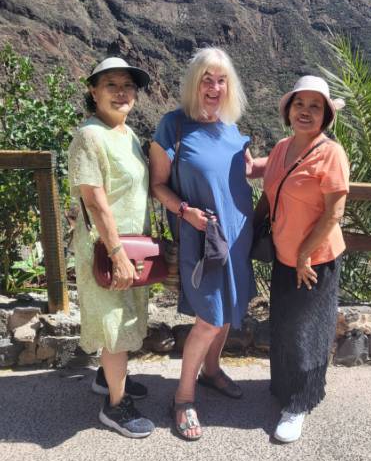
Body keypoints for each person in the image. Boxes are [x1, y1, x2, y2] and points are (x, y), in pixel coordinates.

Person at [150, 47, 266, 440]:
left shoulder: (232, 129)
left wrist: (300, 151)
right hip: (202, 238)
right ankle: (183, 398)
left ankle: (211, 371)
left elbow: (248, 170)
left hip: (237, 236)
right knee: (210, 318)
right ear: (193, 84)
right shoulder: (173, 126)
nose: (214, 88)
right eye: (206, 80)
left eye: (221, 81)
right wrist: (185, 212)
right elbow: (157, 185)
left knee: (229, 311)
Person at [68, 57, 155, 438]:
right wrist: (117, 253)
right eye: (111, 85)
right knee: (115, 323)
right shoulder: (90, 136)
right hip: (108, 249)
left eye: (128, 85)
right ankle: (116, 407)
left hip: (131, 246)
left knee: (125, 318)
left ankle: (108, 377)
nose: (121, 92)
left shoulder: (128, 133)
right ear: (93, 91)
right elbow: (95, 200)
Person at [260, 75, 349, 443]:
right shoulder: (282, 148)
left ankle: (299, 403)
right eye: (300, 104)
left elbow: (334, 213)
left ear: (326, 115)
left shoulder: (331, 154)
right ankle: (283, 388)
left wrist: (304, 255)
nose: (306, 112)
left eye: (315, 106)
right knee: (283, 326)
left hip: (314, 261)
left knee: (306, 332)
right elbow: (270, 188)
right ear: (288, 110)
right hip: (284, 255)